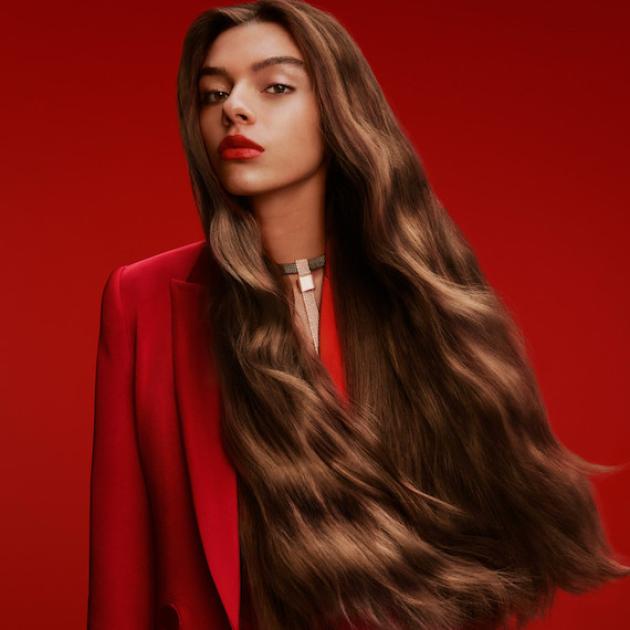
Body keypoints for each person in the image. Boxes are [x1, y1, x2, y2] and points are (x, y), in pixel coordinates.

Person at [87, 1, 630, 629]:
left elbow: (476, 550)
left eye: (276, 86)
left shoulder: (420, 297)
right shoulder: (144, 297)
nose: (234, 107)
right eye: (214, 93)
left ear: (339, 111)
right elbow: (121, 571)